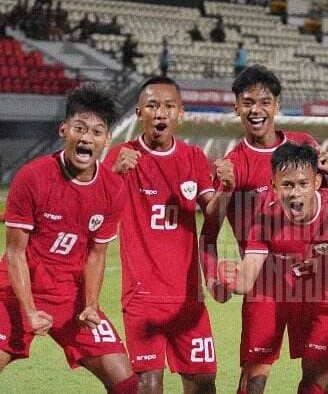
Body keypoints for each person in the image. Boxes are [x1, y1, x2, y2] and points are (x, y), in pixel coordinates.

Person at [201, 65, 328, 394]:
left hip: (316, 277)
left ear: (277, 105)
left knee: (315, 373)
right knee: (255, 376)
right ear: (236, 107)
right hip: (264, 282)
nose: (256, 110)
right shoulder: (233, 163)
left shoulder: (304, 145)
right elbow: (209, 231)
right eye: (248, 102)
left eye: (264, 101)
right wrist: (215, 277)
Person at [218, 142, 328, 394]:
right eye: (287, 185)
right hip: (303, 294)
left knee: (317, 384)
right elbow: (247, 278)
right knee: (255, 378)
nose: (295, 193)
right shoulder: (266, 214)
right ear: (273, 185)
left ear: (317, 182)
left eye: (303, 184)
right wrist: (231, 277)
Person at [0, 84, 138, 393]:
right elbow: (15, 253)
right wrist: (30, 310)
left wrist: (90, 304)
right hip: (15, 289)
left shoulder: (113, 189)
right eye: (80, 128)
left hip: (70, 294)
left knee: (128, 384)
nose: (87, 137)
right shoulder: (32, 177)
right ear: (65, 129)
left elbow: (96, 255)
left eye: (97, 132)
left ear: (107, 140)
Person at [103, 76, 222, 394]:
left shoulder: (193, 157)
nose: (160, 113)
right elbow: (97, 216)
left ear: (180, 113)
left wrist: (228, 190)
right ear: (139, 112)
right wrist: (114, 178)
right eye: (152, 106)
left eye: (169, 106)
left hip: (188, 298)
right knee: (149, 384)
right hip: (142, 297)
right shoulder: (122, 156)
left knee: (204, 383)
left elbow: (213, 217)